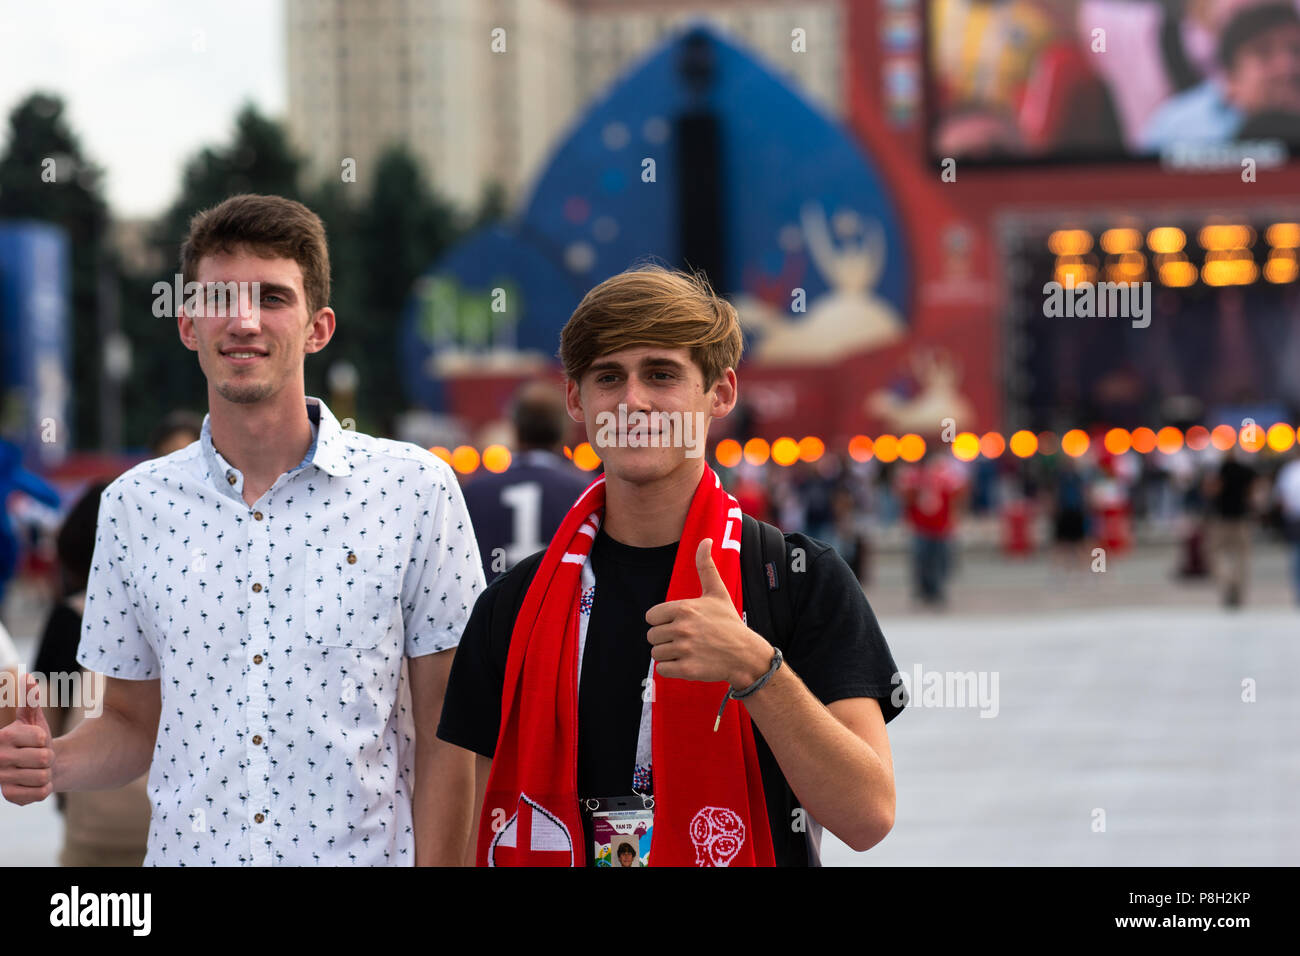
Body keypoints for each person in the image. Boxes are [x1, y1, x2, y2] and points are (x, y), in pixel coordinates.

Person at [0, 194, 485, 866]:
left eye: (272, 297)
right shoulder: (133, 507)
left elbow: (447, 735)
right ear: (187, 324)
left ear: (318, 327)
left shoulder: (415, 491)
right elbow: (132, 727)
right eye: (219, 298)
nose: (244, 321)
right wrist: (51, 762)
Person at [437, 266, 904, 867]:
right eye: (609, 377)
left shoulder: (795, 578)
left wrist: (755, 667)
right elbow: (469, 824)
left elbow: (868, 816)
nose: (633, 401)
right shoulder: (513, 605)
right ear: (577, 401)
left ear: (721, 393)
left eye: (661, 374)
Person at [31, 480, 152, 866]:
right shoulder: (177, 620)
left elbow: (42, 726)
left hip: (92, 826)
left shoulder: (68, 620)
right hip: (175, 825)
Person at [463, 381, 591, 584]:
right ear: (563, 431)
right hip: (556, 608)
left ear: (515, 427)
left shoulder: (475, 491)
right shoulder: (585, 492)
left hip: (491, 608)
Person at [1141, 2, 1300, 150]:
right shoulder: (1178, 130)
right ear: (1230, 79)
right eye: (1264, 53)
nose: (1288, 67)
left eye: (1296, 50)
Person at [896, 445, 967, 607]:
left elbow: (958, 495)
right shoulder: (915, 477)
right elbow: (906, 498)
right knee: (923, 560)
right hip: (922, 526)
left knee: (938, 560)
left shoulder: (944, 477)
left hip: (940, 526)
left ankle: (936, 590)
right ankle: (925, 590)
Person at [1206, 444, 1259, 607]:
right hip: (1241, 518)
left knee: (1215, 554)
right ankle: (1238, 588)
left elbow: (1211, 491)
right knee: (1242, 558)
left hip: (1222, 519)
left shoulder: (1219, 471)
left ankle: (1228, 582)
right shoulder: (1246, 471)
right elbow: (1255, 490)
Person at [1274, 448, 1300, 604]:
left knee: (1296, 554)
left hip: (1293, 518)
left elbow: (1280, 496)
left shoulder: (1288, 471)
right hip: (1294, 518)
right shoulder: (1289, 470)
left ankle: (1298, 590)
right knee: (1295, 554)